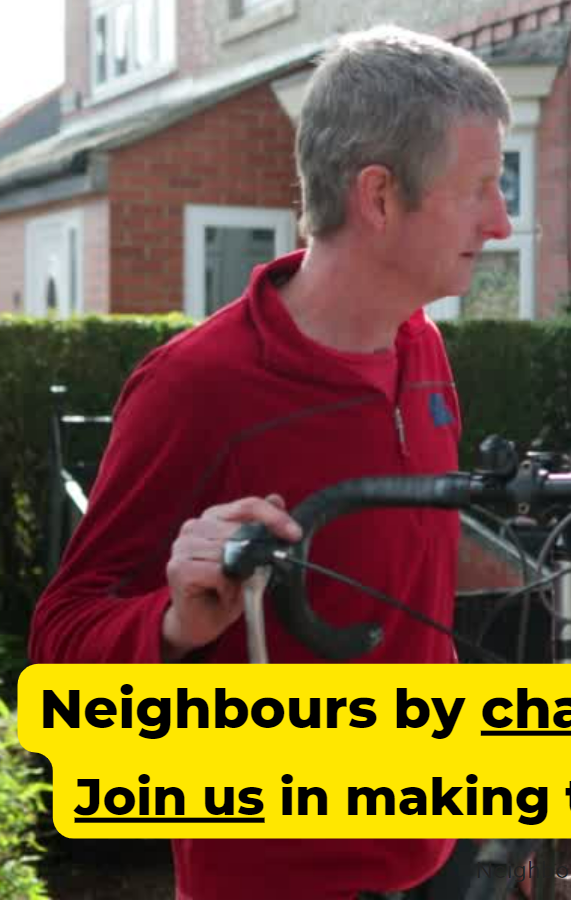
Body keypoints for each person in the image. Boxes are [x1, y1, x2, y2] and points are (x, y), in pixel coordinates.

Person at [29, 25, 513, 900]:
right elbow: (59, 651)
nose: (502, 219)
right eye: (479, 188)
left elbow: (406, 567)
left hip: (439, 844)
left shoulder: (425, 351)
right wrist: (175, 626)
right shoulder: (196, 385)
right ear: (378, 196)